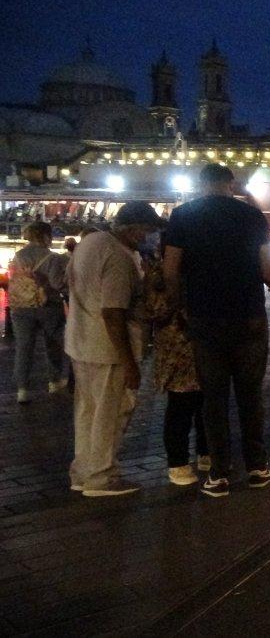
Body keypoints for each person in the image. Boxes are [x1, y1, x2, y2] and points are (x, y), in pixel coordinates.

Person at [163, 163, 270, 498]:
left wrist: (177, 306)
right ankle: (257, 467)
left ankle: (219, 473)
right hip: (248, 317)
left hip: (204, 318)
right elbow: (269, 273)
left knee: (213, 399)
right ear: (230, 183)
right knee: (250, 395)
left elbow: (171, 270)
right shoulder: (251, 217)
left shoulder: (183, 216)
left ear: (201, 184)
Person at [66, 202, 165, 496]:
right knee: (111, 413)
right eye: (148, 231)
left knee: (87, 412)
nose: (150, 237)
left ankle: (83, 472)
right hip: (109, 349)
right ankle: (103, 478)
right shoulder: (119, 257)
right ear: (134, 231)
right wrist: (130, 362)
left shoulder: (90, 242)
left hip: (81, 341)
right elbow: (113, 312)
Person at [143, 242, 208, 486]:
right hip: (177, 348)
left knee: (206, 402)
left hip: (204, 346)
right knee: (181, 406)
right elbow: (153, 310)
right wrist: (177, 303)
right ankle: (178, 462)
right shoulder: (159, 275)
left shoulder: (202, 270)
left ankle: (206, 451)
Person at [8, 221, 69, 404]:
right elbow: (57, 284)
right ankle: (54, 381)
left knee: (24, 347)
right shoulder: (52, 258)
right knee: (53, 345)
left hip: (21, 307)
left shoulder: (18, 255)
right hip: (48, 306)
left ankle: (22, 389)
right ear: (46, 236)